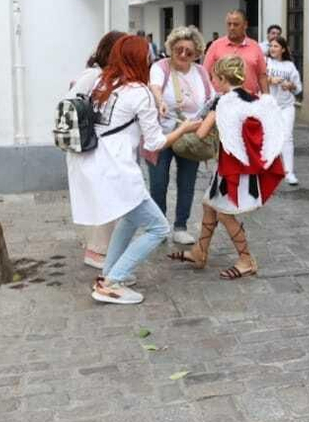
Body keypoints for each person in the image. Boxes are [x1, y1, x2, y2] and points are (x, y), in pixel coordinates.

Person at [67, 35, 171, 304]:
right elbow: (157, 141)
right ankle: (112, 283)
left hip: (94, 165)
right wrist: (185, 129)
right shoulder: (139, 92)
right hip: (117, 171)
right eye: (147, 54)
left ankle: (109, 273)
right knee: (158, 228)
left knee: (129, 218)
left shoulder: (104, 83)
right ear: (140, 59)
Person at [166, 55, 285, 280]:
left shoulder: (222, 101)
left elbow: (201, 132)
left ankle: (246, 260)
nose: (213, 82)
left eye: (214, 78)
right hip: (243, 167)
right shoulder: (253, 98)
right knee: (209, 206)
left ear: (221, 78)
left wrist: (184, 126)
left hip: (231, 170)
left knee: (225, 214)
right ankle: (200, 252)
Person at [148, 26, 213, 246]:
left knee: (187, 182)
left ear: (197, 53)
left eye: (189, 51)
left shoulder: (201, 72)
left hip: (191, 137)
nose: (184, 55)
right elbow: (155, 87)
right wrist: (160, 102)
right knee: (158, 183)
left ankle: (180, 226)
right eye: (179, 50)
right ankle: (158, 227)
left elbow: (211, 100)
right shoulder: (160, 67)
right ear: (171, 49)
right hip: (162, 134)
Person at [72, 30, 126, 267]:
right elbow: (73, 106)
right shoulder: (93, 75)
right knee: (100, 197)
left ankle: (100, 248)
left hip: (97, 147)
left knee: (105, 196)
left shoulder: (106, 76)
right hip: (88, 146)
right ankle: (96, 251)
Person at [265, 35, 303, 187]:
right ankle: (268, 169)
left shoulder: (290, 66)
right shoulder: (266, 62)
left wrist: (290, 86)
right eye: (271, 46)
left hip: (287, 106)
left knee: (287, 137)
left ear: (283, 49)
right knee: (269, 137)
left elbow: (298, 87)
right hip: (269, 106)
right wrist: (270, 80)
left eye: (276, 46)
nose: (273, 49)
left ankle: (289, 172)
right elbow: (257, 78)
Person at [204, 11, 266, 96]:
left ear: (245, 25)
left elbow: (262, 76)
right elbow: (205, 75)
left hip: (248, 102)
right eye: (229, 24)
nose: (232, 28)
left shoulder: (255, 47)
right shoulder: (215, 46)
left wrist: (267, 100)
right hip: (221, 101)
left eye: (236, 24)